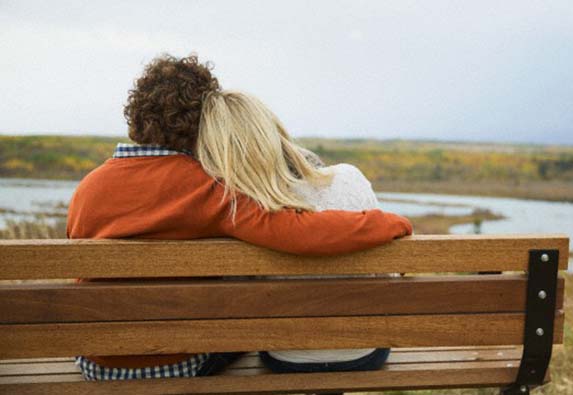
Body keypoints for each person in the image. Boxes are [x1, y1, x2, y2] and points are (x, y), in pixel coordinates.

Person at [67, 54, 412, 380]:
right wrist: (387, 222)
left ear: (136, 117)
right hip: (179, 361)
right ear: (206, 124)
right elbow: (299, 232)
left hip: (99, 361)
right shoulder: (208, 188)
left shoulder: (87, 189)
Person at [197, 90, 392, 373]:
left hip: (286, 356)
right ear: (272, 129)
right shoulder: (351, 178)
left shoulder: (241, 209)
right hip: (363, 351)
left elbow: (238, 300)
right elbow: (381, 273)